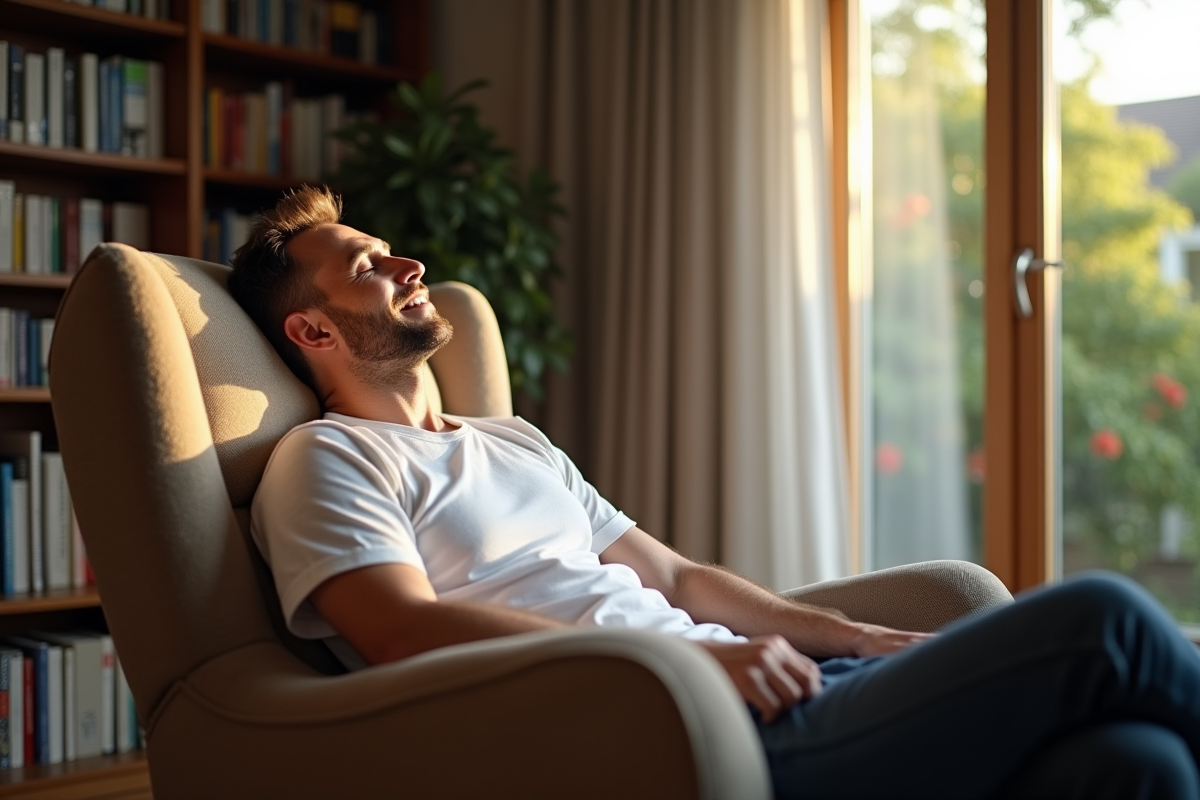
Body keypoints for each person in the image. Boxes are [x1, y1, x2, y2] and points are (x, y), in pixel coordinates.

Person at [229, 186, 1200, 800]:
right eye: (367, 266)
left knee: (1133, 766)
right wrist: (680, 676)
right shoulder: (328, 461)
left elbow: (678, 576)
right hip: (665, 729)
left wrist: (851, 635)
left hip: (761, 681)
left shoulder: (510, 440)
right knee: (1101, 617)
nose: (408, 264)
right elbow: (400, 628)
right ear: (313, 333)